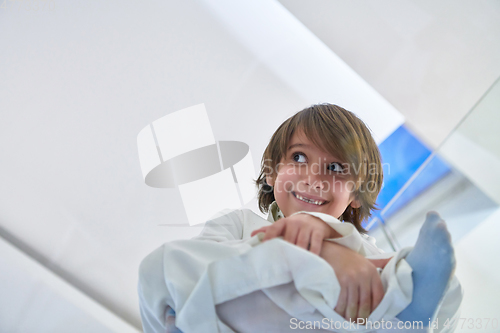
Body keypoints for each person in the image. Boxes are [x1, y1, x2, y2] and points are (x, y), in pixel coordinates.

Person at [138, 104, 463, 332]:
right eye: (299, 157)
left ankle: (403, 319)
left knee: (436, 285)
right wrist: (321, 250)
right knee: (161, 265)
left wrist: (331, 236)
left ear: (355, 196)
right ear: (272, 170)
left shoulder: (366, 252)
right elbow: (189, 277)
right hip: (231, 320)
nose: (314, 178)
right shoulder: (238, 224)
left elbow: (443, 305)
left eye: (335, 168)